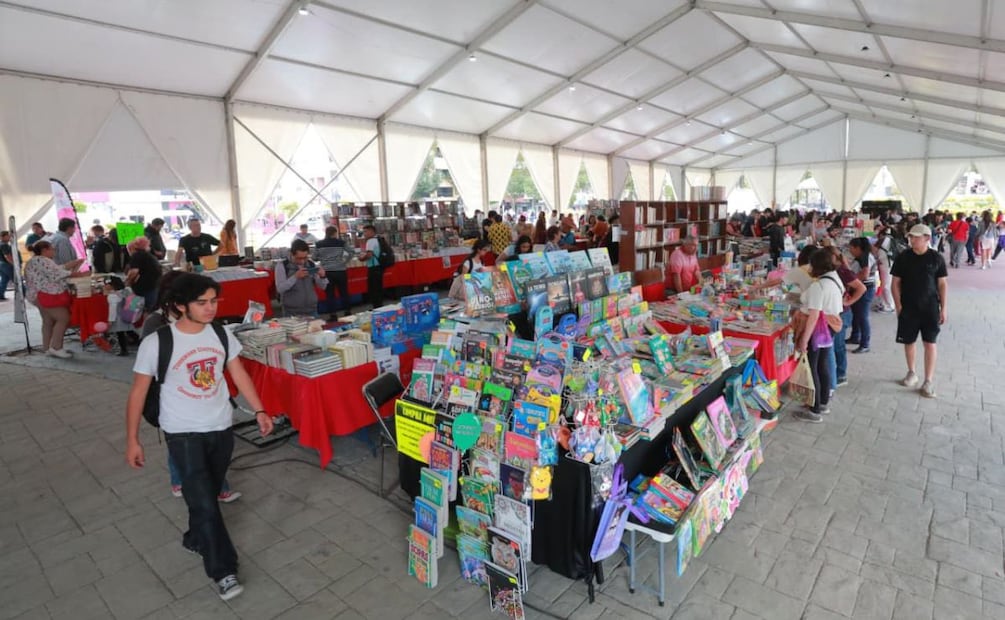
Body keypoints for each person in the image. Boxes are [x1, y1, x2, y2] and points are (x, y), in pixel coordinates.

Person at [126, 273, 273, 601]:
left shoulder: (220, 334)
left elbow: (238, 373)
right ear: (180, 306)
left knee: (204, 492)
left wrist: (260, 410)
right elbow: (138, 393)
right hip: (182, 432)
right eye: (202, 303)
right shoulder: (157, 342)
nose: (211, 308)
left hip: (221, 426)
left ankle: (195, 538)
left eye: (214, 301)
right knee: (206, 502)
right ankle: (223, 570)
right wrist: (132, 439)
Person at [891, 224, 947, 399]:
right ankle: (911, 372)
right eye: (911, 237)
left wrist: (943, 308)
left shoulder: (936, 258)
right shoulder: (903, 257)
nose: (912, 240)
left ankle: (928, 380)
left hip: (930, 307)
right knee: (909, 341)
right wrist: (898, 306)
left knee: (930, 342)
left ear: (927, 238)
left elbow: (942, 284)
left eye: (916, 237)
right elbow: (895, 283)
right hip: (908, 307)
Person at [794, 249, 845, 422]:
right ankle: (822, 402)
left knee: (813, 366)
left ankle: (814, 410)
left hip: (817, 328)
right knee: (822, 363)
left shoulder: (818, 286)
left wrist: (804, 340)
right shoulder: (834, 279)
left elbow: (814, 315)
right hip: (829, 327)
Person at [23, 240, 85, 358]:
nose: (54, 251)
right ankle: (56, 347)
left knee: (48, 321)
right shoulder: (42, 260)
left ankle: (47, 348)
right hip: (46, 294)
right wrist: (74, 273)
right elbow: (56, 274)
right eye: (52, 249)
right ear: (45, 250)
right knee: (63, 318)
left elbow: (57, 269)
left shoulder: (35, 260)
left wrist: (73, 264)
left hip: (36, 295)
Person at [824, 246, 866, 389]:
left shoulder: (842, 272)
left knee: (838, 346)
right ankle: (834, 374)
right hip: (834, 313)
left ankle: (841, 375)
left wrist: (849, 301)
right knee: (834, 345)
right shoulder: (831, 271)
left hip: (842, 313)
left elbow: (862, 288)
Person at [275, 239, 327, 317]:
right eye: (299, 258)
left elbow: (323, 286)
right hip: (291, 312)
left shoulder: (311, 264)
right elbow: (280, 288)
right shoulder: (282, 266)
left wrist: (323, 276)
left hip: (312, 310)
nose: (302, 261)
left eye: (305, 257)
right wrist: (295, 277)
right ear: (292, 254)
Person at [846, 238, 877, 353]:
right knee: (856, 313)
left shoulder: (865, 257)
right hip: (860, 288)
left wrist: (852, 281)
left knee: (863, 316)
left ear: (858, 248)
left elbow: (865, 274)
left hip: (865, 289)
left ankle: (865, 344)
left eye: (851, 248)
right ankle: (855, 336)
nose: (850, 250)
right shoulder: (862, 256)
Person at [315, 225, 351, 318]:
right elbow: (352, 252)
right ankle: (347, 313)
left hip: (327, 272)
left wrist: (323, 258)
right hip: (340, 271)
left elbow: (314, 257)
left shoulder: (319, 244)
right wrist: (345, 261)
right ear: (335, 233)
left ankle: (333, 315)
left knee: (330, 294)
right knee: (344, 292)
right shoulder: (341, 242)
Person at [124, 236, 163, 311]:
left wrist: (127, 282)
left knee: (137, 310)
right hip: (154, 287)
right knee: (150, 310)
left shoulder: (137, 255)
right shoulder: (148, 255)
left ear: (131, 248)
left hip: (144, 289)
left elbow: (134, 272)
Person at [358, 225, 384, 308]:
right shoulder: (379, 239)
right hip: (379, 266)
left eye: (366, 231)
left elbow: (369, 255)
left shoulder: (370, 241)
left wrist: (361, 258)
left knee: (373, 289)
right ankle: (379, 305)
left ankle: (377, 307)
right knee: (378, 287)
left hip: (373, 267)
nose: (364, 234)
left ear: (371, 231)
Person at [0, 231, 13, 301]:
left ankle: (0, 295)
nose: (9, 237)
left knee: (4, 280)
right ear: (3, 237)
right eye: (8, 236)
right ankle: (24, 293)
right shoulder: (4, 245)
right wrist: (14, 264)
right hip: (6, 264)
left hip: (1, 264)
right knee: (16, 279)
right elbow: (7, 256)